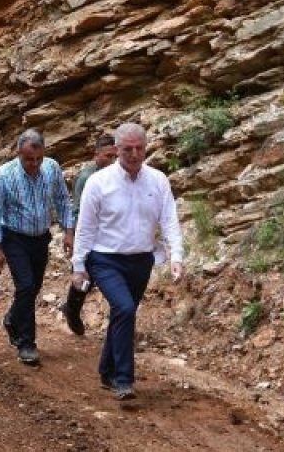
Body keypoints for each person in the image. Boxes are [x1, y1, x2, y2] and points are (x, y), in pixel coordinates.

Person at [72, 123, 184, 401]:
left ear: (146, 147)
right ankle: (124, 379)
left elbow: (169, 219)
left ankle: (106, 369)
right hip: (105, 259)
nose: (134, 154)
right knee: (124, 308)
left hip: (141, 259)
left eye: (139, 148)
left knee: (123, 313)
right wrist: (79, 266)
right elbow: (85, 227)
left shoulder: (158, 180)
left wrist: (176, 255)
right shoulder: (98, 182)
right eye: (127, 149)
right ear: (117, 150)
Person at [0, 129, 73, 366]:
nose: (34, 164)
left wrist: (69, 232)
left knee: (33, 288)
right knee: (25, 285)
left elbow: (63, 200)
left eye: (38, 159)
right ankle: (27, 343)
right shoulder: (3, 176)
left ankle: (13, 318)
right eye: (28, 160)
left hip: (41, 237)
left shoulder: (52, 168)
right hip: (14, 238)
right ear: (18, 153)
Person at [62, 134, 119, 335]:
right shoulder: (87, 178)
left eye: (115, 156)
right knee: (85, 278)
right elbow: (77, 209)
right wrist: (77, 238)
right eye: (108, 156)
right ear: (97, 155)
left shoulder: (117, 176)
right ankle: (72, 310)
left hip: (110, 237)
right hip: (89, 236)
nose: (112, 160)